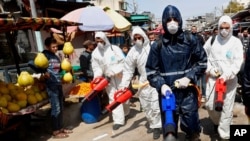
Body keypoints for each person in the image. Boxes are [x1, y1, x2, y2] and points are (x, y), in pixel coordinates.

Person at [146, 5, 207, 141]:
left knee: (192, 128)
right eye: (168, 20)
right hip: (168, 95)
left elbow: (202, 62)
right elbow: (151, 71)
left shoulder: (190, 40)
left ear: (180, 20)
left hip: (187, 94)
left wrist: (189, 77)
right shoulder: (158, 45)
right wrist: (161, 85)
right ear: (163, 22)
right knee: (169, 131)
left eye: (175, 19)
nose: (172, 23)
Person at [204, 15, 243, 140]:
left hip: (229, 82)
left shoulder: (236, 42)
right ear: (218, 27)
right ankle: (217, 122)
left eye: (227, 27)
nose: (224, 30)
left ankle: (225, 134)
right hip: (213, 80)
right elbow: (203, 57)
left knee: (226, 108)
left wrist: (226, 75)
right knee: (210, 106)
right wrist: (210, 69)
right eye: (222, 27)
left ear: (231, 27)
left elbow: (238, 62)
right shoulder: (211, 41)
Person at [119, 26, 162, 140]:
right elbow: (128, 69)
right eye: (135, 37)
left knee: (155, 106)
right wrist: (124, 85)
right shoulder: (133, 52)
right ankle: (152, 123)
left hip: (155, 80)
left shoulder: (152, 47)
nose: (138, 39)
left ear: (144, 37)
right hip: (142, 82)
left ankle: (157, 127)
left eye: (139, 37)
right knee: (146, 107)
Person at [91, 31, 130, 130]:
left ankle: (125, 113)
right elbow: (96, 68)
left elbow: (123, 61)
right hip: (108, 79)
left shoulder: (114, 48)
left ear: (104, 39)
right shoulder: (95, 53)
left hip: (119, 76)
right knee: (113, 98)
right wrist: (97, 77)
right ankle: (118, 120)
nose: (99, 41)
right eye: (97, 39)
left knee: (124, 96)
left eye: (100, 39)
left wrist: (115, 70)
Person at [41, 37, 73, 138]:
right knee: (56, 108)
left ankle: (60, 128)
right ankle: (56, 131)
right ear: (47, 46)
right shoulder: (44, 55)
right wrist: (43, 72)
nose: (55, 48)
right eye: (53, 47)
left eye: (56, 46)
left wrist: (65, 66)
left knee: (61, 107)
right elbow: (32, 64)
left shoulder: (56, 56)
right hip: (51, 85)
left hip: (58, 84)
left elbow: (58, 71)